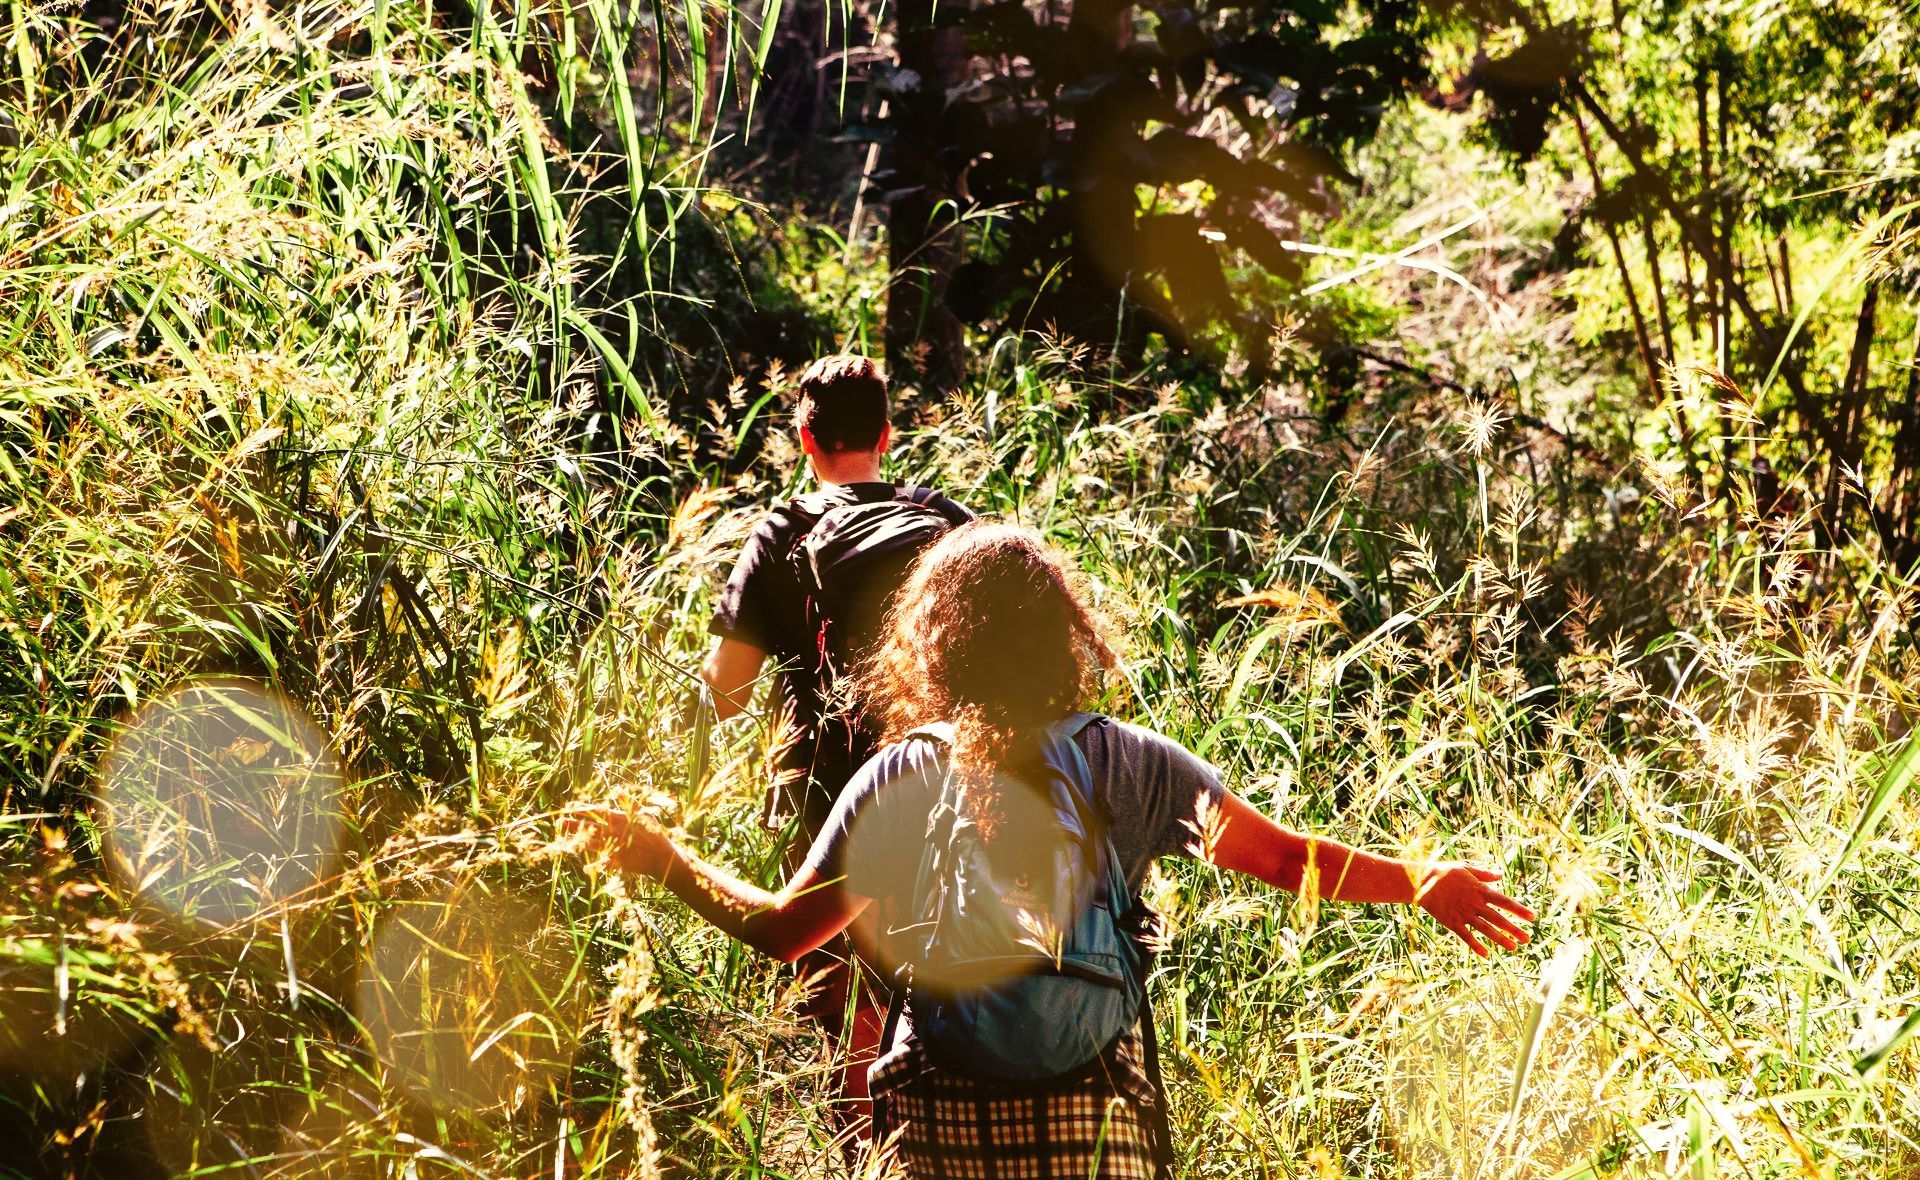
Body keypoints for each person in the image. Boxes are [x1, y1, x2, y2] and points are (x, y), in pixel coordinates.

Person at [579, 522, 1534, 1177]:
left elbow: (785, 932)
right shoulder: (1128, 762)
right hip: (1094, 1116)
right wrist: (1422, 884)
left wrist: (662, 855)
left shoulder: (904, 772)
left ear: (931, 643)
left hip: (941, 1113)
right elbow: (1284, 861)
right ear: (1067, 635)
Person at [696, 354, 973, 1127]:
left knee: (842, 1011)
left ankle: (865, 1152)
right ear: (886, 434)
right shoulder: (948, 523)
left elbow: (727, 692)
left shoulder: (783, 529)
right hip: (941, 784)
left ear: (803, 439)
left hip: (822, 793)